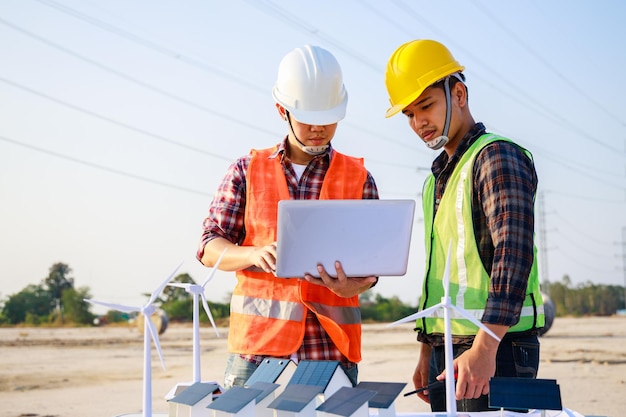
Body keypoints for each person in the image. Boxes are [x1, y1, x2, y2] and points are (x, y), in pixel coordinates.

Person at [196, 44, 379, 389]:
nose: (319, 129)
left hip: (331, 351)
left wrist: (354, 284)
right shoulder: (246, 171)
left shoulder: (358, 178)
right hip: (257, 352)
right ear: (282, 109)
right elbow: (209, 248)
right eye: (309, 118)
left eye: (328, 118)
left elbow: (371, 268)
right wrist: (252, 253)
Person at [384, 39, 545, 412]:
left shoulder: (495, 156)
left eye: (426, 105)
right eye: (409, 113)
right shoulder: (437, 180)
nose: (418, 122)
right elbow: (439, 277)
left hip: (495, 350)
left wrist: (486, 348)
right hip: (450, 350)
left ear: (458, 94)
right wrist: (428, 350)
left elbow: (513, 255)